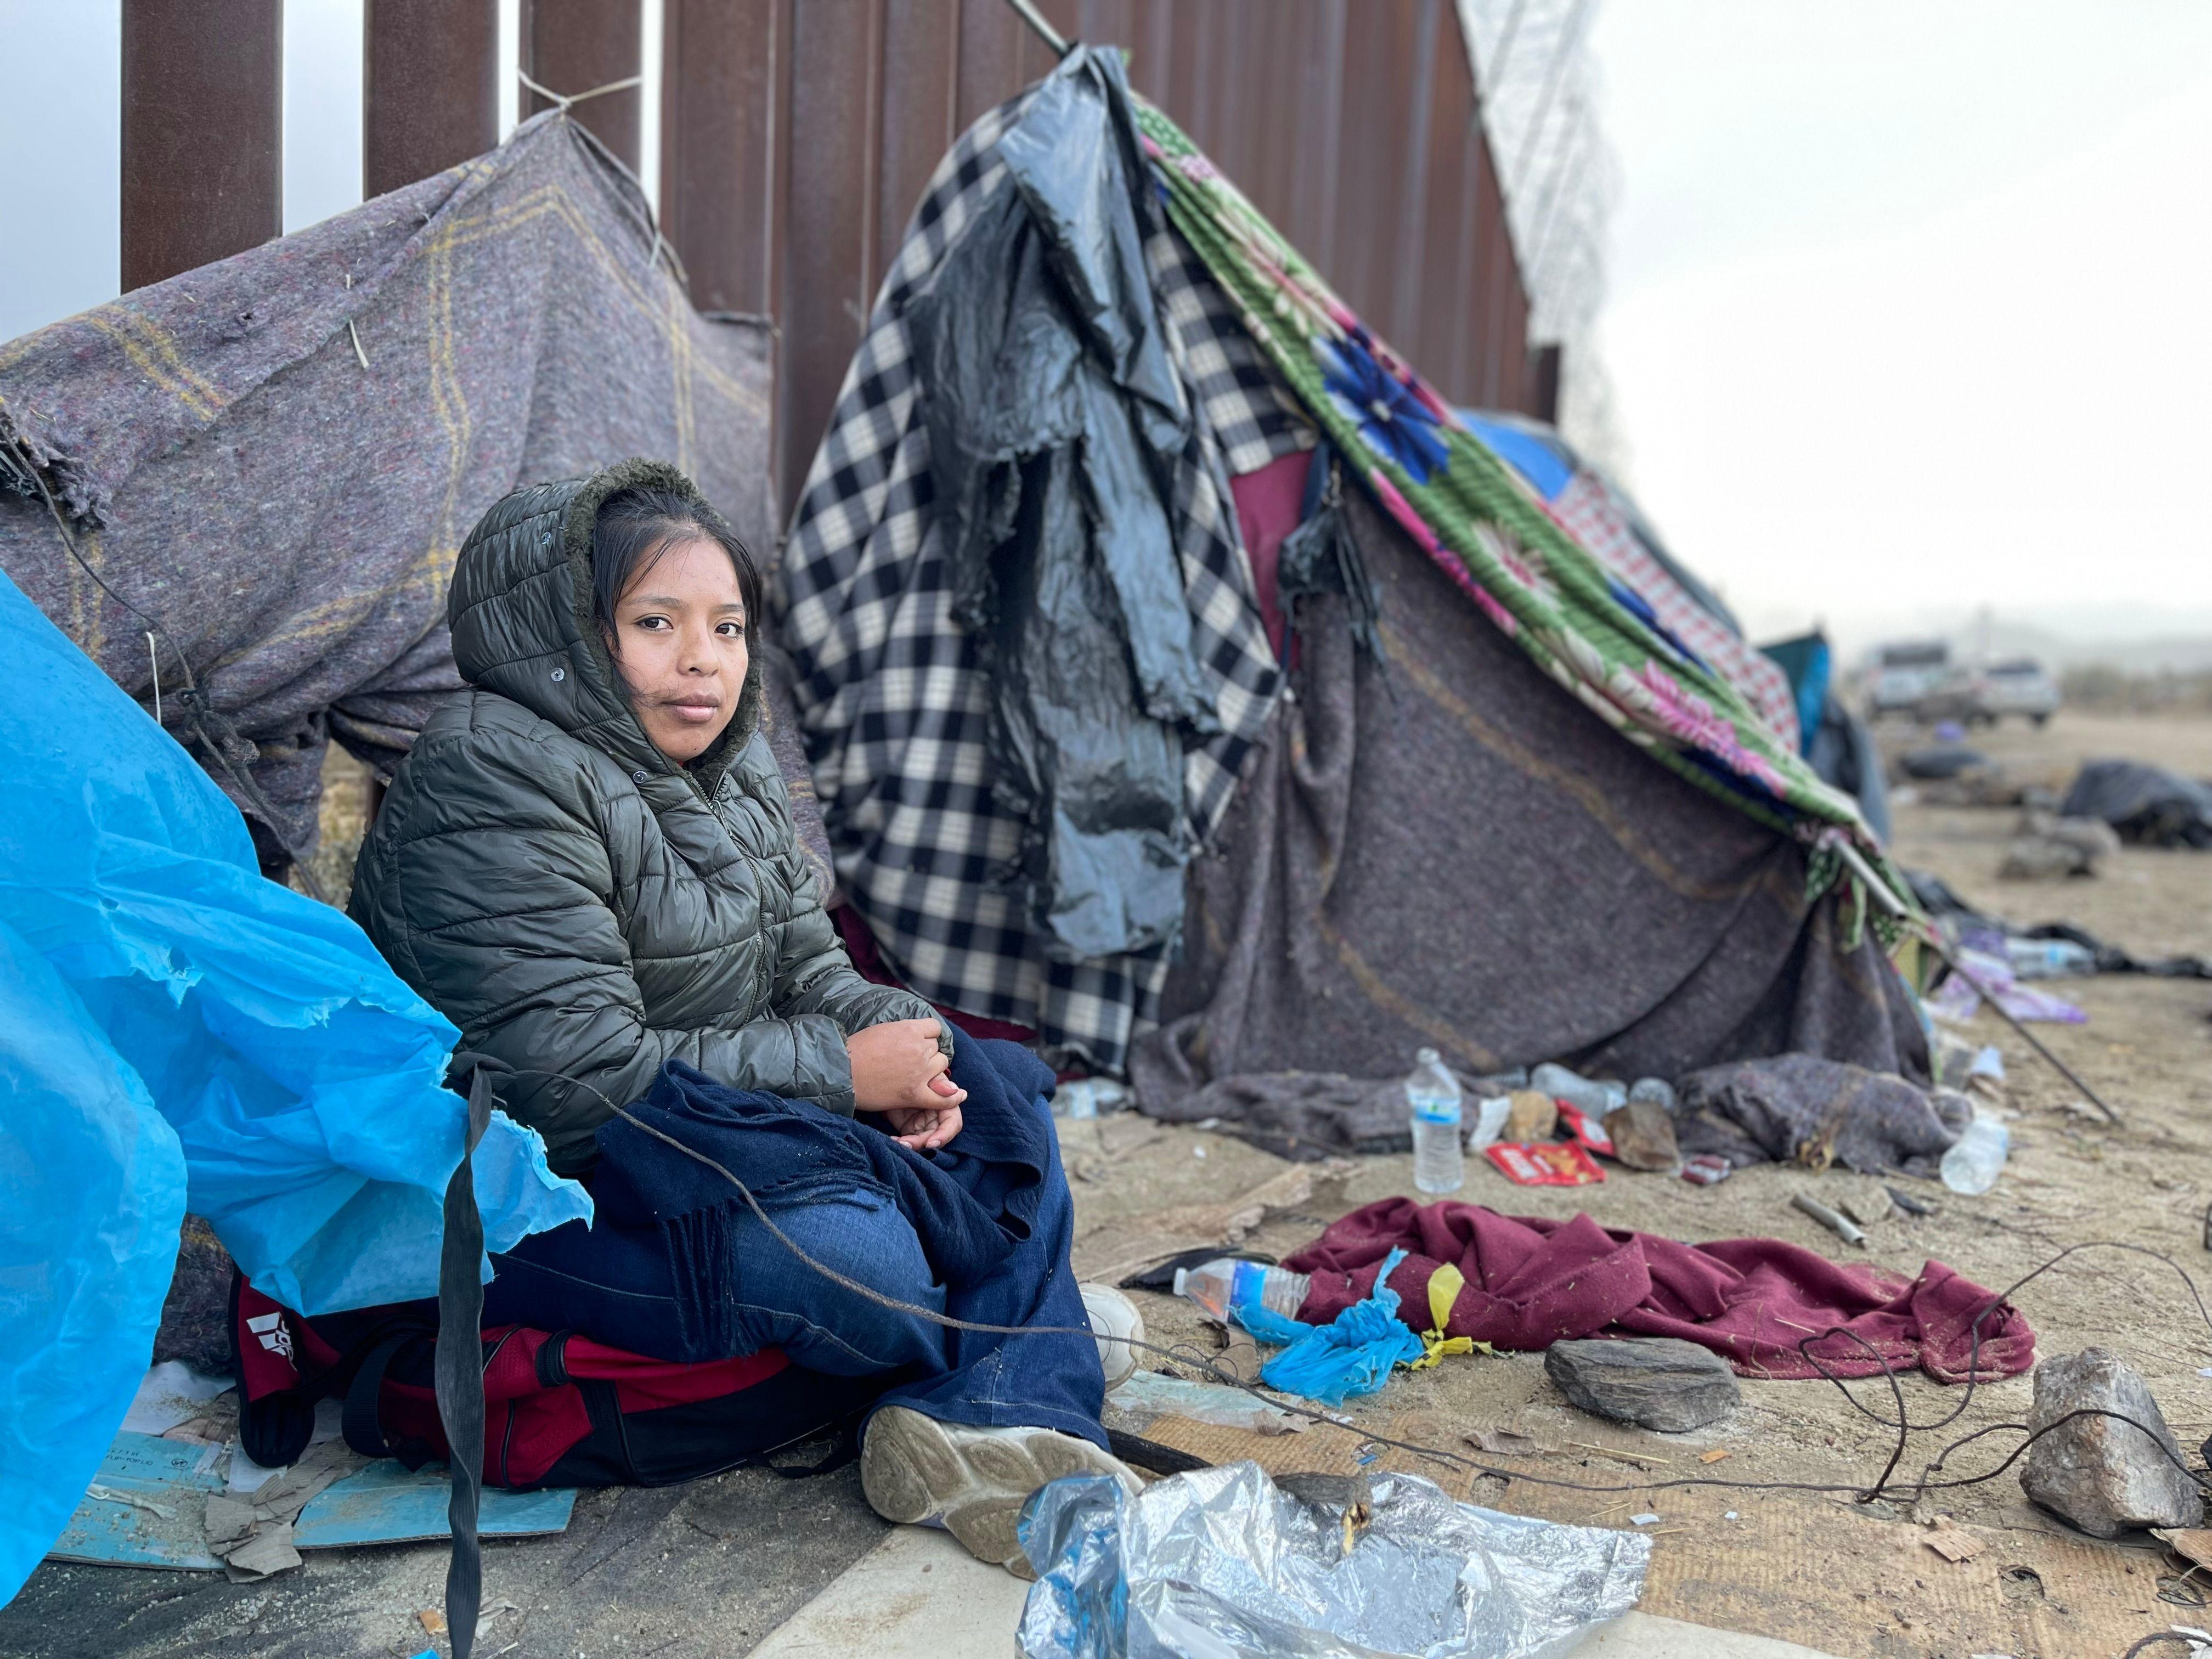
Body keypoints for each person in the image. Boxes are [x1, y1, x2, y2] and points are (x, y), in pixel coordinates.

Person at [349, 459, 1138, 1572]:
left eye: (726, 627)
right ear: (565, 631)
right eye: (655, 622)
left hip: (712, 1136)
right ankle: (1021, 1345)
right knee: (859, 1262)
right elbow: (570, 1080)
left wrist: (910, 1058)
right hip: (543, 1193)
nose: (701, 661)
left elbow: (812, 965)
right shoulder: (492, 772)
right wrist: (844, 1073)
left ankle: (1003, 1379)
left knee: (998, 1087)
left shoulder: (727, 764)